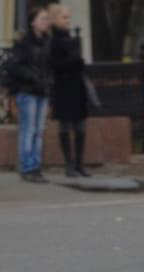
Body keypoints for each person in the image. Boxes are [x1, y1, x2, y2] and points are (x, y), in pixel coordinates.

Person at [6, 7, 53, 183]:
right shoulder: (24, 43)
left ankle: (36, 165)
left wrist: (48, 82)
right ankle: (27, 167)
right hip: (27, 91)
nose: (46, 22)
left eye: (47, 19)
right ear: (33, 22)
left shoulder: (48, 42)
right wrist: (32, 76)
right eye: (43, 19)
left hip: (43, 91)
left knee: (39, 131)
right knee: (29, 130)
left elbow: (50, 67)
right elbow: (15, 66)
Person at [50, 5, 92, 177]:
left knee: (80, 125)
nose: (68, 20)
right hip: (63, 88)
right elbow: (55, 66)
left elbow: (77, 61)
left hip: (76, 86)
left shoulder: (71, 37)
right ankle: (69, 164)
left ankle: (80, 164)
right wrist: (74, 62)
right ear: (55, 19)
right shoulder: (54, 40)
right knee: (65, 125)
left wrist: (78, 62)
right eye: (64, 17)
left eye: (68, 17)